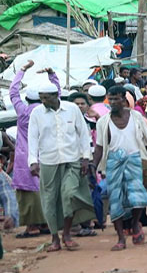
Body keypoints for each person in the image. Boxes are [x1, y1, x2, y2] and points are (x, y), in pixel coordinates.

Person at [27, 81, 95, 252]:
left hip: (72, 159)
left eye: (46, 98)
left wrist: (86, 157)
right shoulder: (37, 113)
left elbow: (83, 133)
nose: (43, 101)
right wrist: (32, 161)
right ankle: (54, 238)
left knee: (69, 195)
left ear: (55, 96)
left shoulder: (72, 109)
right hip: (49, 161)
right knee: (49, 201)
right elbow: (33, 138)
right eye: (41, 98)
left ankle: (66, 234)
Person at [93, 86, 147, 251]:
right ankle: (120, 238)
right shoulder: (103, 121)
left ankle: (134, 223)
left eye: (117, 99)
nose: (113, 102)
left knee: (138, 196)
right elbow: (99, 148)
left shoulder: (136, 116)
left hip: (134, 160)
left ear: (124, 99)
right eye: (111, 99)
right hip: (113, 163)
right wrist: (93, 167)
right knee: (115, 200)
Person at [10, 60, 58, 238]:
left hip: (25, 157)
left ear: (28, 99)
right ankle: (46, 223)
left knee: (26, 192)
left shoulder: (23, 111)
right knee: (46, 188)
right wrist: (52, 75)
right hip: (46, 154)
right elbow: (57, 93)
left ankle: (32, 226)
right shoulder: (49, 110)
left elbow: (13, 93)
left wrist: (22, 70)